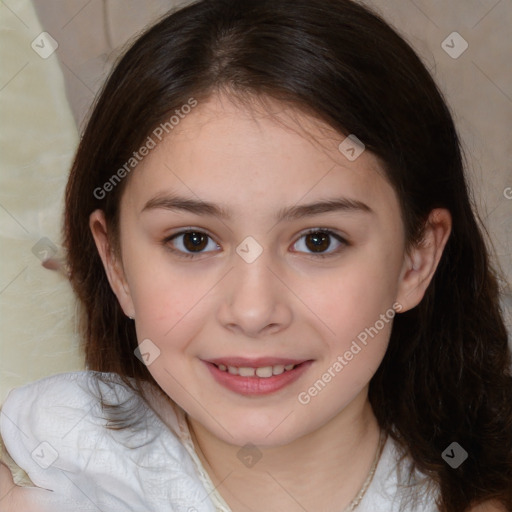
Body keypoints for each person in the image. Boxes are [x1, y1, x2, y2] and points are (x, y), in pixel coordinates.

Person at [1, 0, 511, 510]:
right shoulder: (54, 451)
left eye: (318, 241)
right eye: (193, 241)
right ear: (116, 264)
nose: (252, 311)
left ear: (415, 260)